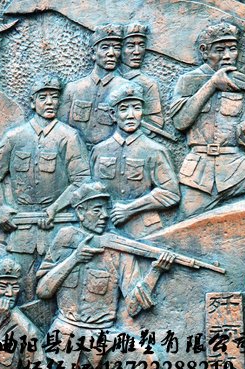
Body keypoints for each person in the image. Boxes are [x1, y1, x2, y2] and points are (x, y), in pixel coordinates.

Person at [36, 182, 174, 369]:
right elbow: (43, 290)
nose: (105, 215)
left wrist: (156, 271)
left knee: (148, 361)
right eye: (97, 209)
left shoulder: (119, 248)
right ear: (81, 212)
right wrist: (74, 259)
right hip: (68, 341)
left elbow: (133, 306)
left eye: (106, 209)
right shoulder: (65, 238)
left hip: (103, 340)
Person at [0, 75, 90, 301]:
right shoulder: (15, 137)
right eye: (43, 97)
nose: (49, 102)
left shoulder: (68, 137)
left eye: (54, 97)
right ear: (32, 102)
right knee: (20, 291)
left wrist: (55, 209)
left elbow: (81, 180)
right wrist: (1, 208)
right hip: (21, 231)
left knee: (61, 290)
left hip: (58, 230)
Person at [170, 22, 245, 219]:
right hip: (200, 170)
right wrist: (212, 84)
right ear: (204, 51)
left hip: (235, 164)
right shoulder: (188, 81)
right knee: (185, 224)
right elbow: (180, 122)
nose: (227, 56)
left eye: (232, 49)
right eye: (219, 50)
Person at [91, 82, 179, 236]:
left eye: (136, 108)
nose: (131, 115)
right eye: (124, 109)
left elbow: (171, 193)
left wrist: (130, 209)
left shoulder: (155, 150)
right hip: (106, 228)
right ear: (113, 114)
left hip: (146, 230)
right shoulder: (99, 151)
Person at [59, 24, 129, 148]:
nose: (111, 53)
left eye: (117, 48)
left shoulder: (127, 89)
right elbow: (61, 129)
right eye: (105, 47)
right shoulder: (72, 89)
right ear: (93, 53)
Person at [119, 23, 164, 128]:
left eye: (141, 45)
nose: (137, 52)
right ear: (120, 49)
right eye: (130, 46)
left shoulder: (148, 84)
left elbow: (156, 123)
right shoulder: (109, 79)